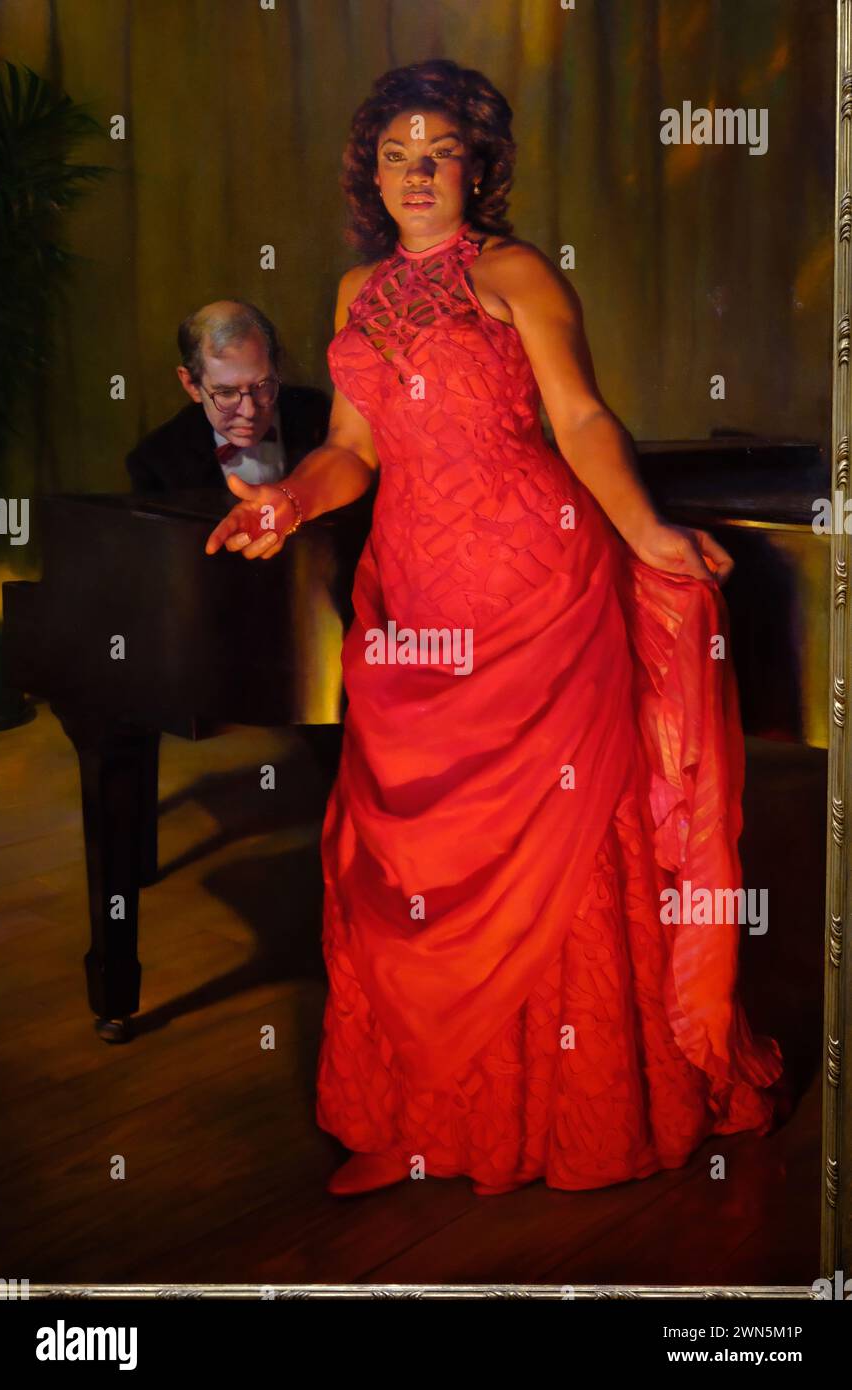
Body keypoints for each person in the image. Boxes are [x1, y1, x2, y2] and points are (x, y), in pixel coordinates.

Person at [205, 59, 786, 1198]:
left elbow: (577, 416)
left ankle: (572, 1117)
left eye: (438, 154)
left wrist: (648, 531)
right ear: (369, 172)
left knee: (552, 848)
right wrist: (285, 500)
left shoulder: (514, 270)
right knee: (408, 858)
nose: (416, 176)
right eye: (395, 155)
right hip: (415, 589)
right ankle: (417, 1121)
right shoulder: (352, 293)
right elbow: (355, 453)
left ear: (477, 164)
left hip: (534, 580)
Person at [126, 300, 330, 493]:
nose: (249, 412)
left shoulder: (317, 412)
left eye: (261, 386)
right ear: (191, 385)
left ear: (277, 367)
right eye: (226, 392)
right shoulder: (155, 461)